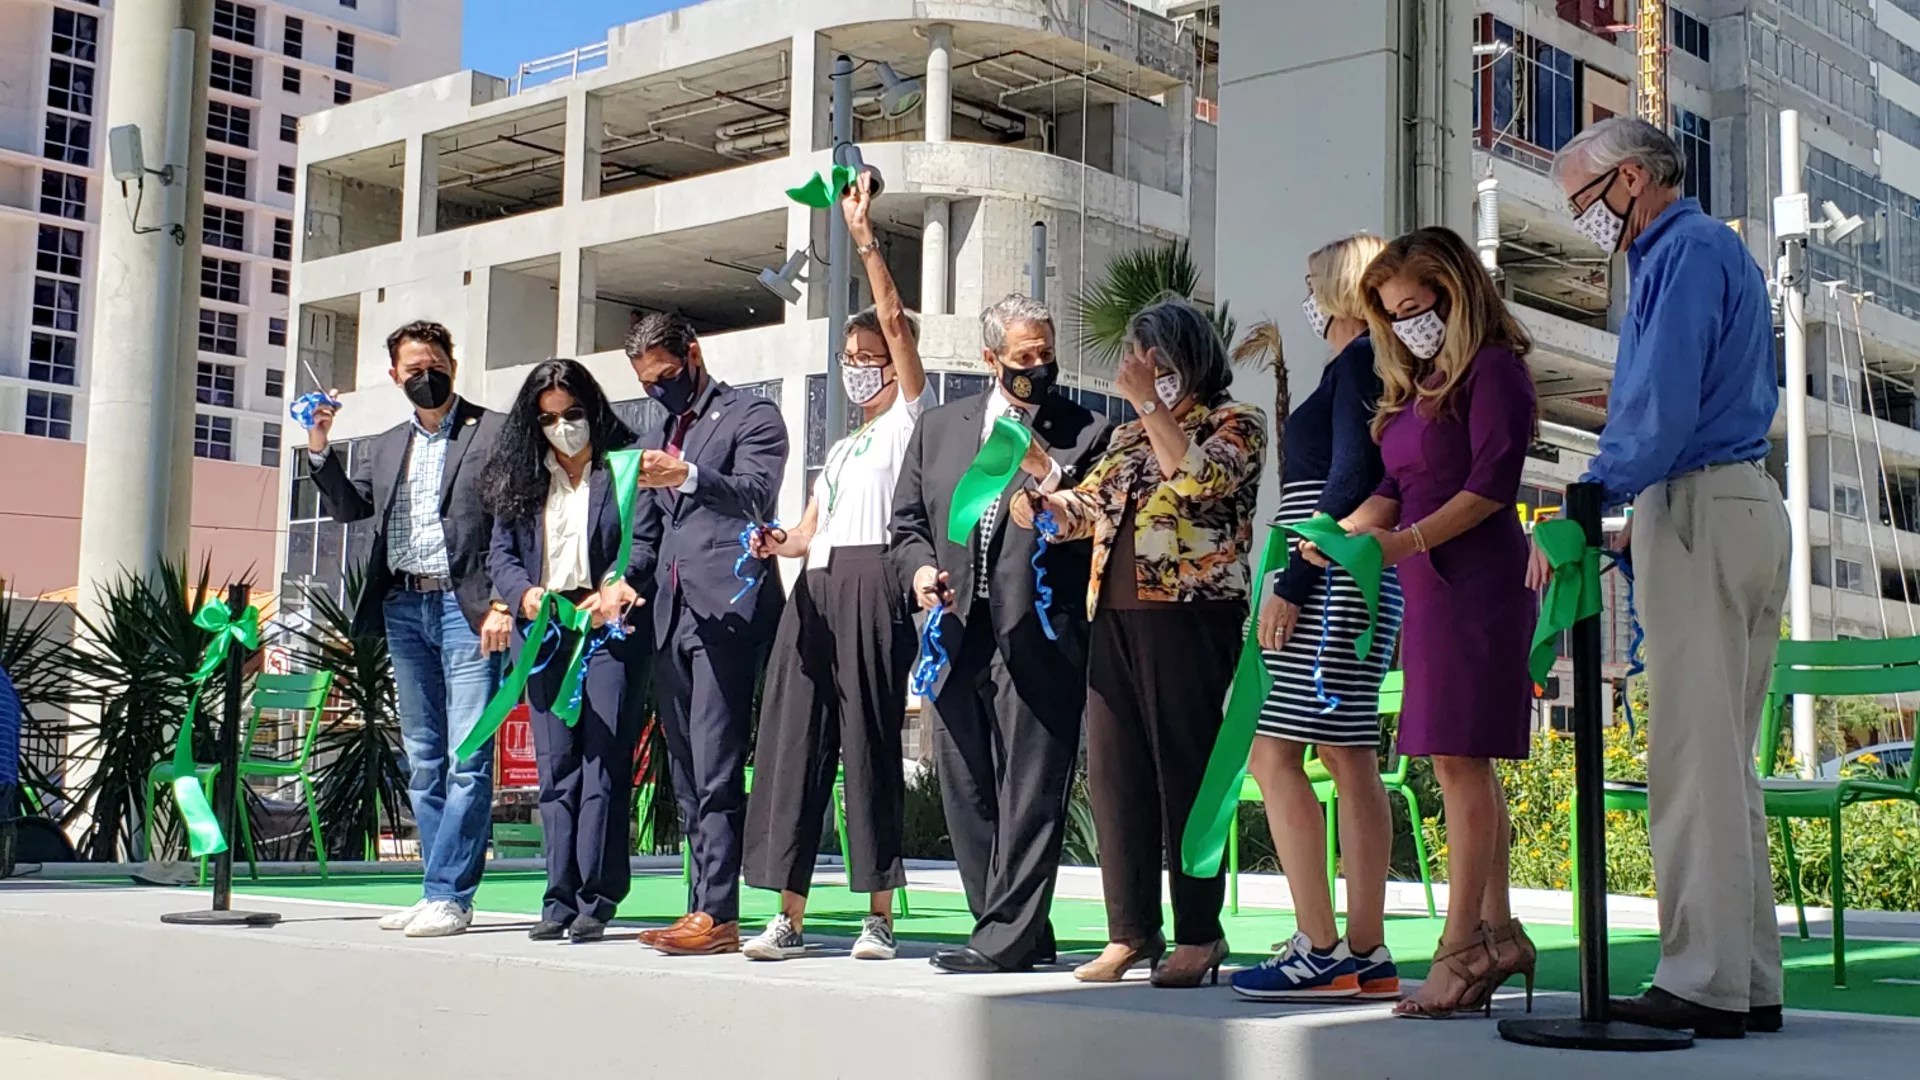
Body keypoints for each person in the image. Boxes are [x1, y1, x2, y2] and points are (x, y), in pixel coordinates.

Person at [1546, 117, 1787, 1039]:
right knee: (1725, 758)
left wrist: (1596, 488)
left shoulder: (1679, 255)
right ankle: (1747, 978)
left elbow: (1660, 401)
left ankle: (1701, 981)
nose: (1583, 219)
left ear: (1634, 179)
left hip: (1694, 504)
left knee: (1690, 757)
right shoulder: (1720, 251)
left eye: (1585, 198)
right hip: (1745, 502)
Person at [1301, 227, 1538, 1018]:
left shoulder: (1493, 371)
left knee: (1461, 762)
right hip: (1428, 583)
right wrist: (1334, 538)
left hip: (1477, 581)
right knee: (1457, 762)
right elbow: (1395, 490)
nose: (1406, 325)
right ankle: (1496, 932)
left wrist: (1403, 542)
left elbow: (1490, 488)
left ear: (1454, 292)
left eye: (1414, 307)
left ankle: (1461, 944)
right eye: (1392, 314)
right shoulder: (1421, 382)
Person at [1012, 298, 1265, 988]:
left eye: (1155, 358)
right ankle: (1131, 931)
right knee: (1115, 774)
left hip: (1190, 615)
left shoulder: (1235, 423)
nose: (1141, 369)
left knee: (1185, 769)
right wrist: (1044, 500)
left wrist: (1151, 406)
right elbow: (1087, 507)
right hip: (1115, 616)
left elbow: (1200, 481)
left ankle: (1200, 933)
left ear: (1188, 357)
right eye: (1137, 357)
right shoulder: (1126, 438)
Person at [889, 294, 1112, 973]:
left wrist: (1046, 468)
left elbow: (1093, 518)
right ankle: (1009, 925)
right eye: (1024, 357)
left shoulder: (1087, 430)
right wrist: (920, 572)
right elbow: (907, 525)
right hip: (956, 629)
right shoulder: (939, 428)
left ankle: (1003, 940)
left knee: (1032, 789)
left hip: (1040, 630)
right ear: (991, 359)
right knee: (965, 787)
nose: (1038, 366)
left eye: (1047, 354)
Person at [740, 174, 927, 962]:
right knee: (794, 745)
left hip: (875, 581)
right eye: (849, 359)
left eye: (868, 357)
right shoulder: (844, 447)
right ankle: (788, 914)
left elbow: (895, 319)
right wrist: (774, 540)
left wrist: (863, 238)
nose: (857, 368)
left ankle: (878, 913)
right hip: (814, 589)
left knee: (868, 743)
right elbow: (806, 532)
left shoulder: (912, 419)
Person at [1232, 233, 1409, 1002]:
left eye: (1313, 282)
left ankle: (1320, 946)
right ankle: (1364, 949)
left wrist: (1296, 580)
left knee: (1273, 754)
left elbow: (1350, 477)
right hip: (1350, 569)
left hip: (1328, 571)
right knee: (1348, 753)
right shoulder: (1371, 363)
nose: (1305, 297)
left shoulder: (1359, 361)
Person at [307, 320, 511, 938]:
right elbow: (350, 508)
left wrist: (502, 601)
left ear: (453, 365)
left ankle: (451, 895)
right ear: (394, 376)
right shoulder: (385, 443)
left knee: (467, 756)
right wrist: (319, 444)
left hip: (467, 608)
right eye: (414, 369)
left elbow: (516, 522)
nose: (427, 377)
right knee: (423, 758)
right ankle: (434, 890)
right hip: (403, 604)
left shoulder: (494, 431)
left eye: (435, 366)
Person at [625, 312, 789, 956]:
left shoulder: (752, 415)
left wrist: (687, 474)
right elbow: (646, 532)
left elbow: (756, 493)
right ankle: (700, 903)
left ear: (693, 355)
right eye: (646, 382)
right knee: (688, 768)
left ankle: (718, 912)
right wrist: (621, 583)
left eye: (666, 375)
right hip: (668, 615)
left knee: (718, 763)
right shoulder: (657, 433)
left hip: (727, 608)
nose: (658, 389)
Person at [483, 359, 659, 944]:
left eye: (573, 413)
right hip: (546, 632)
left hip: (608, 630)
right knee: (556, 768)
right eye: (549, 418)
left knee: (603, 763)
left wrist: (615, 585)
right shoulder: (520, 477)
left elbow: (645, 540)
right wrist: (522, 594)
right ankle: (557, 897)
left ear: (593, 409)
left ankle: (597, 898)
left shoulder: (624, 467)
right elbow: (500, 554)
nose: (562, 427)